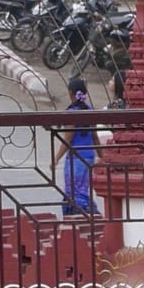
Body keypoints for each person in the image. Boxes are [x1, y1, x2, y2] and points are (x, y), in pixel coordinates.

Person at [58, 79, 98, 216]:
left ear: (70, 92)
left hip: (75, 157)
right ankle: (90, 214)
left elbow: (67, 139)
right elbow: (95, 136)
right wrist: (102, 156)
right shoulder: (90, 110)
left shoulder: (72, 112)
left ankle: (79, 216)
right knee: (82, 189)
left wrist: (56, 159)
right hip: (89, 157)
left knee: (73, 190)